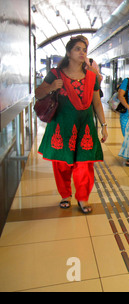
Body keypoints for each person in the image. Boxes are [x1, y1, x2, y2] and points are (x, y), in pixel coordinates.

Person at [35, 36, 108, 214]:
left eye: (84, 49)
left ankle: (83, 198)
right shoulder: (55, 74)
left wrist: (104, 125)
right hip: (61, 126)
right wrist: (52, 87)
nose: (82, 52)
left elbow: (97, 103)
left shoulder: (92, 77)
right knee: (61, 164)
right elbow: (38, 94)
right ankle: (65, 195)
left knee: (85, 164)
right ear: (68, 53)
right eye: (77, 49)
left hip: (85, 127)